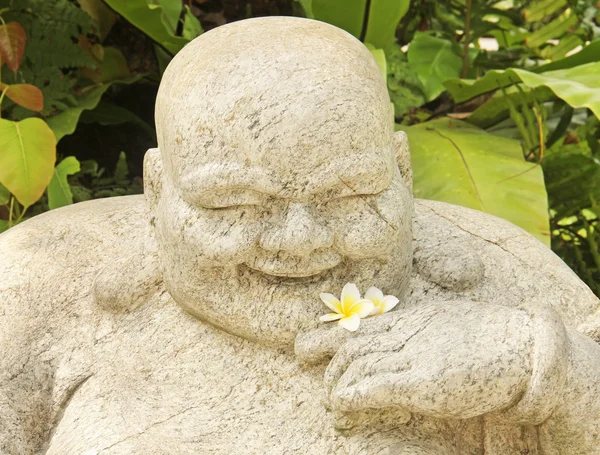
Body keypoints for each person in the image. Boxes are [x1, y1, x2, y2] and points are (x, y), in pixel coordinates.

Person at [1, 17, 600, 455]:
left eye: (348, 195)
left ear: (401, 171)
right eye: (235, 204)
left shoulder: (502, 276)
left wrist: (545, 367)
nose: (299, 240)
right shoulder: (40, 285)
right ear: (158, 191)